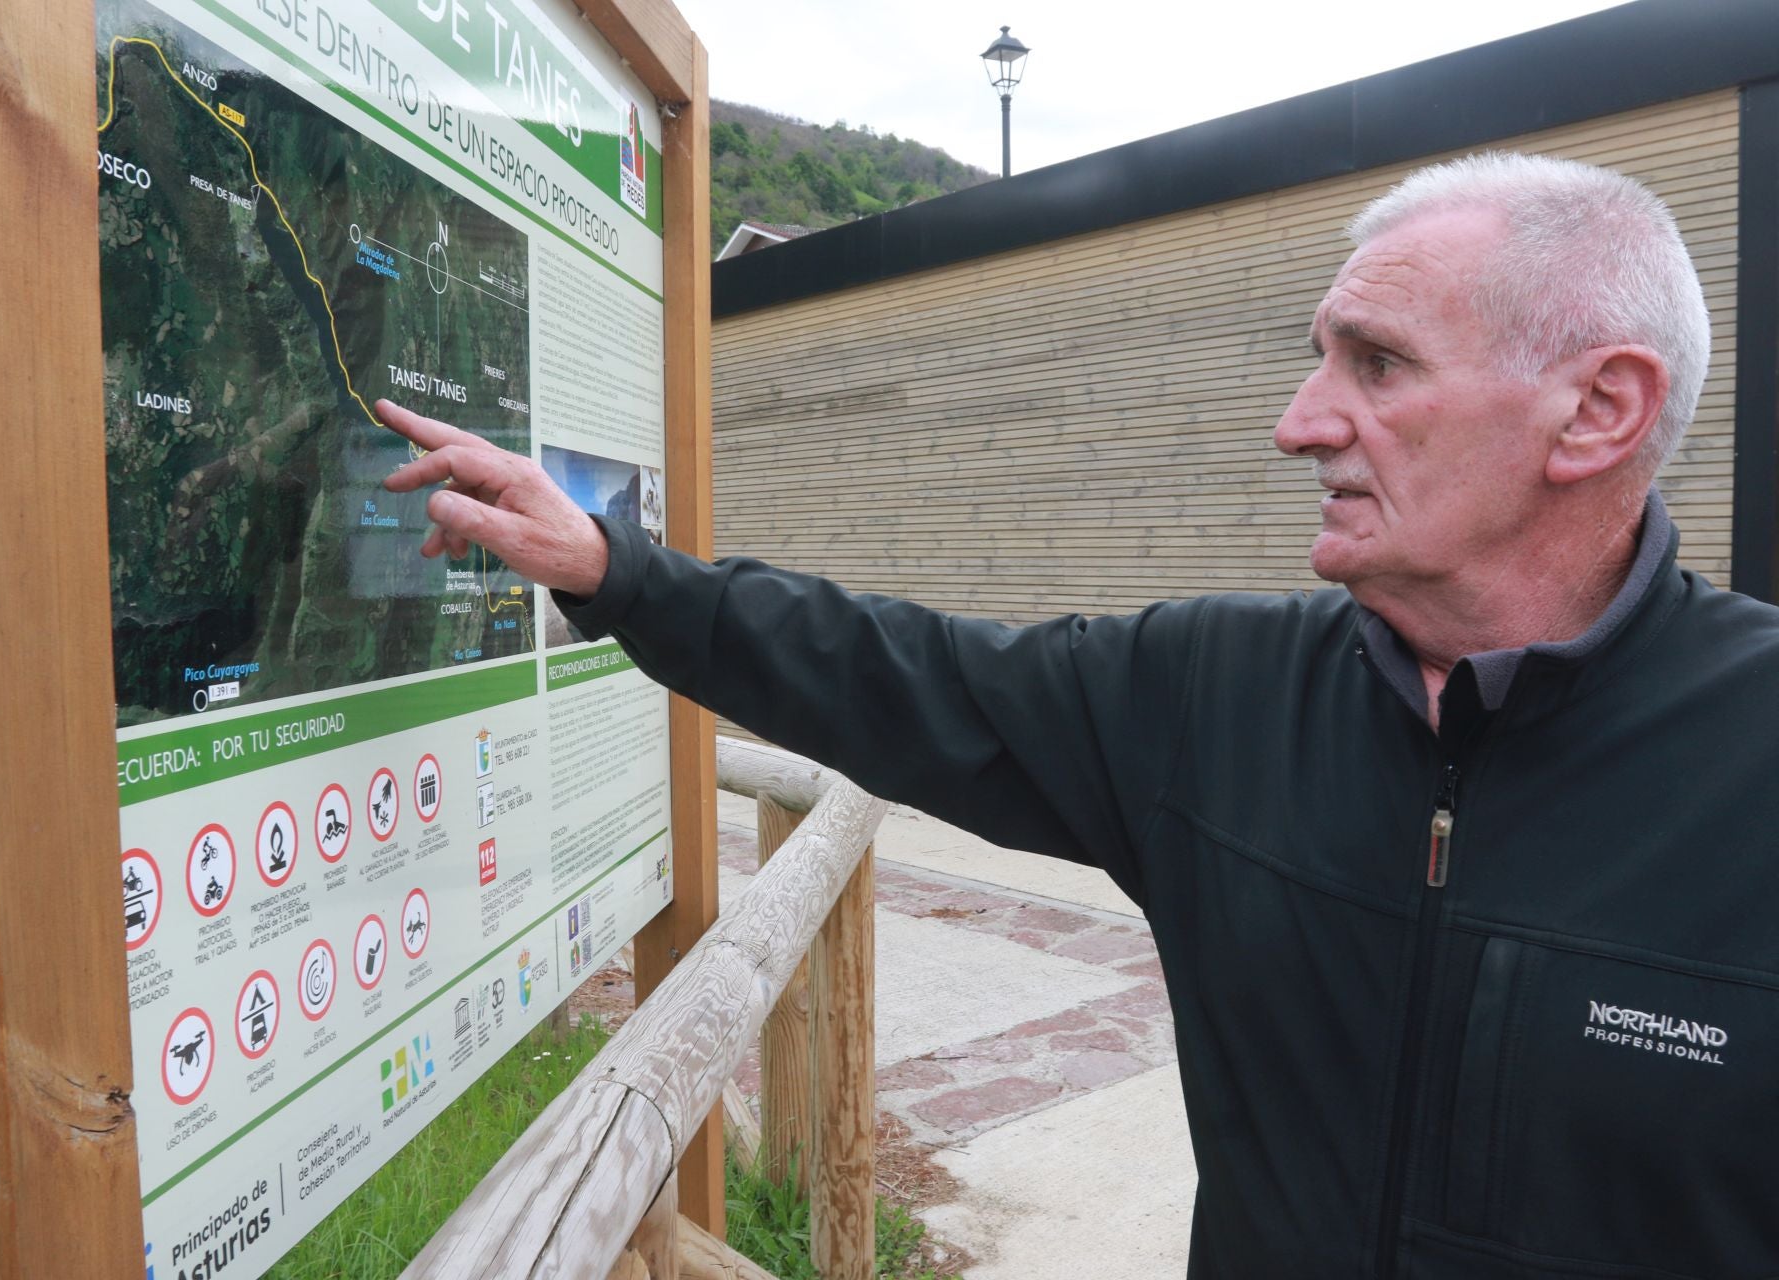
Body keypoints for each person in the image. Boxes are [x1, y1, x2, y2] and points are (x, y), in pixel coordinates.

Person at [376, 153, 1779, 1278]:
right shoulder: (1214, 699)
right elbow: (901, 675)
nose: (1300, 421)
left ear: (1597, 411)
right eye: (1318, 358)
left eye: (1379, 364)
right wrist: (618, 572)